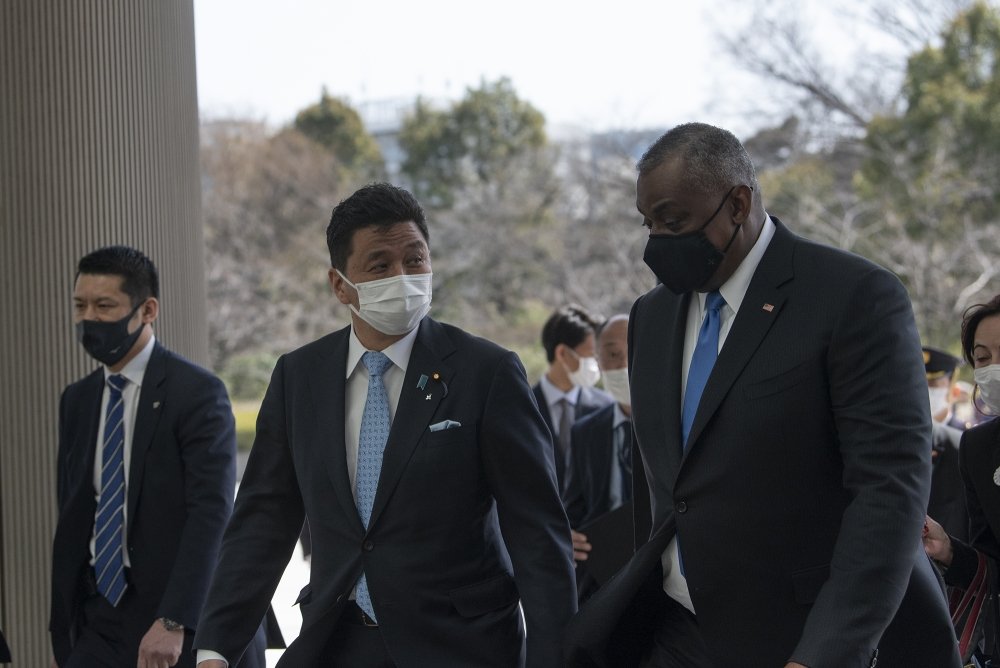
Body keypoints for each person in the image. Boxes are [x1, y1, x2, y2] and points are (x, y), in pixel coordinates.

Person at [565, 122, 960, 667]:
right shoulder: (651, 316)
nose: (655, 242)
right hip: (678, 635)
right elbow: (662, 491)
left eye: (673, 220)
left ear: (737, 204)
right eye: (648, 222)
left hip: (804, 639)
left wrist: (824, 654)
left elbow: (889, 493)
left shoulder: (852, 297)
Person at [193, 183, 576, 667]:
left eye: (415, 259)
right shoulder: (300, 377)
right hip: (337, 642)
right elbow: (263, 519)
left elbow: (536, 530)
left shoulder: (486, 372)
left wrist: (555, 654)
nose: (403, 275)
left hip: (461, 647)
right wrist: (215, 647)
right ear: (339, 285)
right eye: (380, 265)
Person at [50, 246, 265, 667]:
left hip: (175, 619)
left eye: (104, 305)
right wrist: (65, 629)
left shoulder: (196, 393)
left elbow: (211, 512)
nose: (88, 318)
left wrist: (174, 619)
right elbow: (74, 514)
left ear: (147, 310)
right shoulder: (76, 400)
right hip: (99, 619)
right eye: (80, 305)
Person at [924, 294, 1000, 663]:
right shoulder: (980, 447)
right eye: (983, 358)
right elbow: (991, 565)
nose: (993, 368)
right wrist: (950, 551)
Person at [563, 314, 634, 603]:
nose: (624, 365)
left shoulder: (678, 421)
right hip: (602, 572)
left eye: (633, 352)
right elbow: (573, 505)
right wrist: (566, 533)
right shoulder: (586, 431)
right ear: (599, 361)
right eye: (613, 355)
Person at [533, 305, 613, 490]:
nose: (597, 364)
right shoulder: (522, 407)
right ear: (562, 353)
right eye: (591, 355)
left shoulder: (605, 406)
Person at [923, 345, 969, 542]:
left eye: (933, 384)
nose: (925, 391)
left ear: (952, 389)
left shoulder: (966, 443)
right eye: (919, 383)